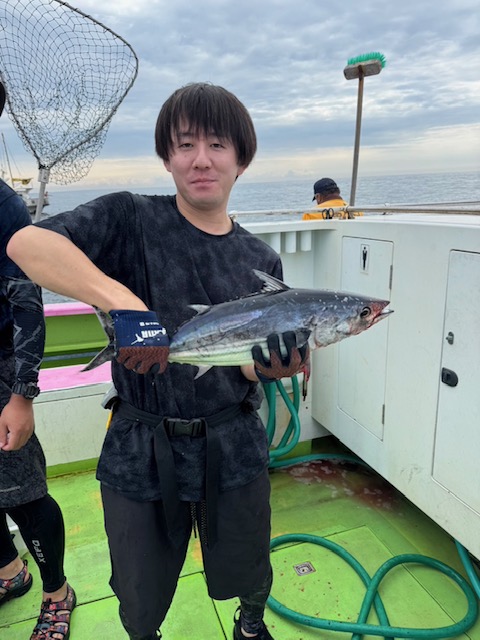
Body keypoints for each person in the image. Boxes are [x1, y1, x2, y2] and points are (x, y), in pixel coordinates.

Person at [7, 82, 309, 640]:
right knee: (139, 587)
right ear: (167, 158)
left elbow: (244, 367)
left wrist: (269, 368)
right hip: (139, 445)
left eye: (217, 145)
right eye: (185, 144)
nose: (201, 159)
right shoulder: (130, 218)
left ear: (241, 159)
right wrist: (122, 301)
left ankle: (249, 623)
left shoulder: (260, 259)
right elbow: (27, 245)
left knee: (248, 560)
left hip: (232, 442)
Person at [0, 81, 76, 639]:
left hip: (3, 370)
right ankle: (11, 572)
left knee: (23, 495)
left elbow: (28, 300)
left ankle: (57, 592)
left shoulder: (4, 206)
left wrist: (22, 393)